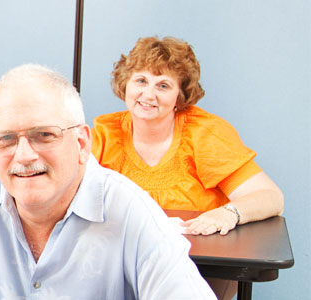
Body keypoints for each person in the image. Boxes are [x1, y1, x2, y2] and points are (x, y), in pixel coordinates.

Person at [0, 64, 214, 299]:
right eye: (5, 140)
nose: (24, 155)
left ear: (82, 143)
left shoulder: (132, 210)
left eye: (44, 135)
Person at [91, 36, 284, 299]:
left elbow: (271, 198)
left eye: (163, 85)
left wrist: (228, 214)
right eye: (141, 81)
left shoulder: (204, 133)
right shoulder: (105, 134)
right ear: (125, 84)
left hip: (202, 269)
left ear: (180, 96)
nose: (148, 94)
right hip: (128, 262)